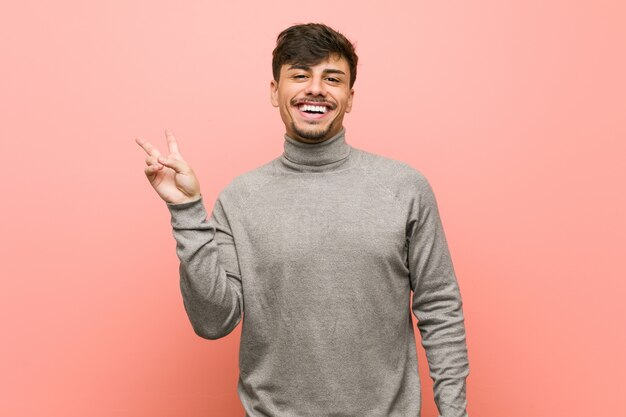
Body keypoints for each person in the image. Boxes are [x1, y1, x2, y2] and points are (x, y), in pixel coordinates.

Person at [136, 23, 470, 417]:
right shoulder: (241, 199)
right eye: (299, 75)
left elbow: (440, 307)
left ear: (349, 98)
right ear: (275, 92)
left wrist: (454, 413)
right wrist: (187, 210)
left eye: (332, 78)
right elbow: (213, 322)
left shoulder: (405, 188)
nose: (315, 88)